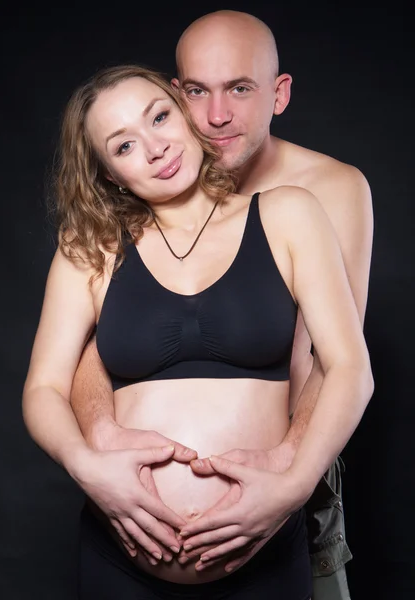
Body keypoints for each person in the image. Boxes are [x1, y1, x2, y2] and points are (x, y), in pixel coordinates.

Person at [22, 61, 373, 599]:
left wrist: (291, 488)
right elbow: (44, 388)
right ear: (111, 174)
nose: (155, 147)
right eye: (123, 146)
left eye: (159, 117)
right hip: (120, 559)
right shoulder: (90, 246)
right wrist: (87, 467)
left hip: (265, 553)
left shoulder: (288, 215)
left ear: (185, 115)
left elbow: (350, 369)